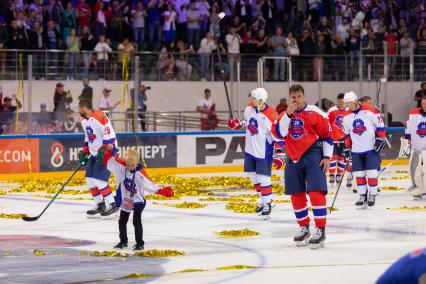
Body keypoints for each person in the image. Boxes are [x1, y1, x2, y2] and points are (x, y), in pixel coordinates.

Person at [272, 84, 333, 249]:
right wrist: (288, 115)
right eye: (293, 97)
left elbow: (328, 134)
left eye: (299, 96)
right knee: (296, 194)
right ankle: (304, 227)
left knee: (315, 192)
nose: (296, 99)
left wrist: (327, 156)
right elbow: (279, 134)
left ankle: (320, 229)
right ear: (289, 98)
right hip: (292, 157)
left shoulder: (314, 112)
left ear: (303, 96)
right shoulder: (284, 115)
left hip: (314, 154)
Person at [96, 146, 174, 250]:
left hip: (138, 201)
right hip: (127, 200)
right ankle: (123, 242)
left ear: (137, 163)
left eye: (132, 165)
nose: (130, 167)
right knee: (122, 221)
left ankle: (140, 243)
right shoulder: (121, 168)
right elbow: (108, 162)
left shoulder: (140, 174)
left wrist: (162, 191)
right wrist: (110, 150)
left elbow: (150, 185)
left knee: (136, 221)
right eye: (128, 164)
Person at [228, 88, 285, 219]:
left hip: (263, 151)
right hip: (250, 150)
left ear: (260, 100)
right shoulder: (249, 108)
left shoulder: (271, 114)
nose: (250, 100)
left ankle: (268, 204)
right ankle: (264, 200)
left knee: (264, 178)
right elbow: (249, 122)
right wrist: (239, 124)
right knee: (252, 176)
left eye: (253, 98)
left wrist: (279, 155)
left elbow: (279, 136)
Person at [343, 91, 386, 209]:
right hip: (356, 150)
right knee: (359, 174)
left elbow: (380, 125)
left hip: (371, 148)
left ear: (356, 101)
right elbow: (347, 134)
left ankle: (372, 194)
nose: (350, 105)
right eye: (347, 103)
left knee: (372, 173)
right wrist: (347, 148)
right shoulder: (346, 116)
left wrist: (380, 139)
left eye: (351, 102)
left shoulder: (369, 110)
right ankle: (362, 196)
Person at [77, 100, 118, 218]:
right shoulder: (84, 121)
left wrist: (105, 150)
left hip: (107, 152)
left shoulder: (99, 115)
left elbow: (109, 134)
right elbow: (88, 138)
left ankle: (113, 205)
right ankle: (100, 205)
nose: (78, 110)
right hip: (95, 154)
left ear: (84, 107)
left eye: (79, 108)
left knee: (99, 181)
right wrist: (85, 152)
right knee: (90, 180)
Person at [401, 95, 426, 200]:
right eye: (423, 103)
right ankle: (419, 190)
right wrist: (407, 143)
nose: (425, 105)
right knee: (414, 170)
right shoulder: (413, 113)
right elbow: (409, 129)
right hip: (416, 148)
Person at [326, 93, 352, 187]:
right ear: (337, 101)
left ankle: (339, 175)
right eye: (339, 102)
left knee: (342, 158)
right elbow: (326, 123)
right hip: (333, 139)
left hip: (344, 140)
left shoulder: (349, 111)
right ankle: (332, 174)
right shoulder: (332, 110)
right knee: (333, 157)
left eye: (342, 102)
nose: (341, 103)